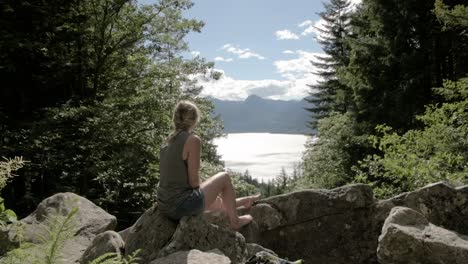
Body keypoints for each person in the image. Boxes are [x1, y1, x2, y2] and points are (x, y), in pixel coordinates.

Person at [156, 100, 259, 230]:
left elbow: (180, 179)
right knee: (224, 177)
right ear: (195, 120)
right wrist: (208, 190)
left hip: (164, 204)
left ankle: (246, 201)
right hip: (180, 206)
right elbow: (194, 182)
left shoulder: (167, 140)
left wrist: (209, 192)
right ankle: (235, 221)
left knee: (215, 202)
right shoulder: (192, 140)